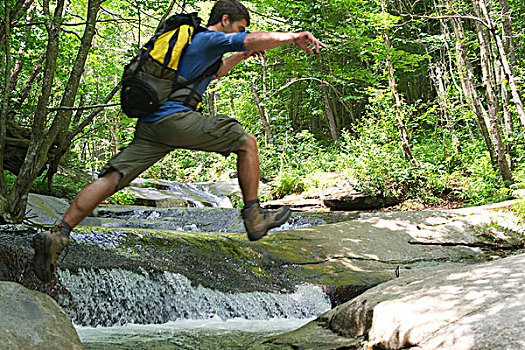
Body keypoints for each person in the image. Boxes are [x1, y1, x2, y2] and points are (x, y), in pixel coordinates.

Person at [32, 0, 326, 282]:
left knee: (113, 177)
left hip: (152, 126)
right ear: (224, 21)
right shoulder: (209, 38)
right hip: (175, 121)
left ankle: (59, 234)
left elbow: (217, 71)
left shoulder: (194, 46)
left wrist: (239, 56)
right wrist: (293, 37)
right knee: (246, 141)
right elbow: (248, 40)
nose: (239, 34)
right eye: (238, 27)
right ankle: (254, 215)